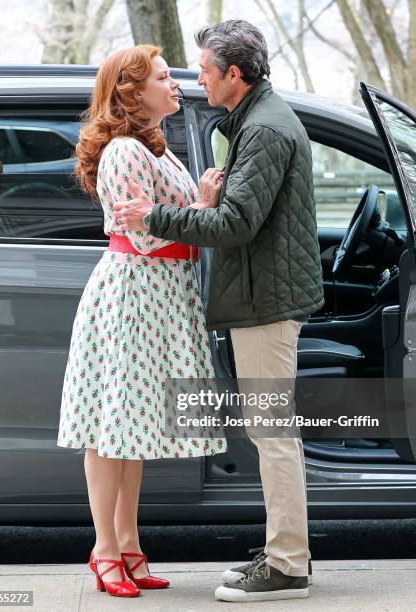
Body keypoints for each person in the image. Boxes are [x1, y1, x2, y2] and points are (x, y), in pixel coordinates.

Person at [113, 20, 324, 603]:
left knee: (272, 433)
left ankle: (287, 566)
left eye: (205, 68)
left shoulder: (265, 130)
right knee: (270, 431)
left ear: (235, 73)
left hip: (266, 302)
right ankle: (284, 550)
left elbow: (234, 225)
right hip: (261, 296)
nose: (196, 77)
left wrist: (152, 216)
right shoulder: (257, 121)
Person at [56, 44, 227, 599]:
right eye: (161, 76)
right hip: (134, 293)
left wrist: (197, 209)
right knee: (111, 430)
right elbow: (145, 234)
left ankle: (127, 544)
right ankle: (105, 549)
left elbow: (162, 219)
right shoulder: (126, 150)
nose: (175, 83)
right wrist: (201, 211)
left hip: (158, 295)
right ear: (132, 92)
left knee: (131, 430)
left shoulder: (152, 146)